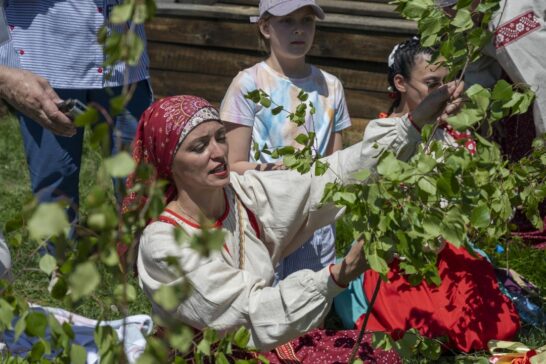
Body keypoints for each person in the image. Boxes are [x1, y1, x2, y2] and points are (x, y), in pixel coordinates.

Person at [122, 87, 463, 361]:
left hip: (260, 342)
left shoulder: (243, 192)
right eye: (199, 147)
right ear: (170, 164)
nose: (218, 152)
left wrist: (413, 122)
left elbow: (330, 176)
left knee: (381, 356)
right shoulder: (163, 243)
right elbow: (246, 311)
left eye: (220, 138)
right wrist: (339, 275)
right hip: (203, 354)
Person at [333, 38, 520, 353]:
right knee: (420, 329)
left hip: (443, 249)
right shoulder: (383, 133)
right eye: (433, 84)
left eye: (448, 82)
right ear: (401, 83)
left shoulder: (452, 136)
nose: (446, 91)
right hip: (399, 253)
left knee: (496, 325)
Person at [220, 0, 351, 281]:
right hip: (264, 215)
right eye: (287, 21)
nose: (299, 30)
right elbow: (231, 164)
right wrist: (274, 171)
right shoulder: (249, 84)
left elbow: (335, 162)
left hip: (314, 217)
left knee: (308, 299)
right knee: (263, 302)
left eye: (307, 21)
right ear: (266, 27)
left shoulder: (331, 87)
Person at [3, 0, 154, 225]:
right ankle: (56, 259)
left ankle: (144, 255)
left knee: (141, 181)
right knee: (54, 186)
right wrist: (6, 68)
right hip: (46, 60)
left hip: (124, 64)